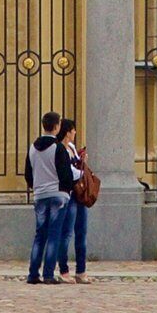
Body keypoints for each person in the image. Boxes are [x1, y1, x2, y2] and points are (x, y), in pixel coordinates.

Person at [25, 110, 74, 286]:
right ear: (56, 126)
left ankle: (33, 273)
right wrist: (66, 190)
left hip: (40, 195)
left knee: (40, 235)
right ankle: (48, 274)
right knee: (54, 235)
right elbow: (66, 174)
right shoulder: (58, 148)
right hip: (57, 195)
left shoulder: (32, 147)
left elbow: (28, 174)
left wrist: (37, 186)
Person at [57, 115, 92, 280]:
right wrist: (83, 173)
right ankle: (64, 269)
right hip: (69, 193)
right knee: (67, 233)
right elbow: (69, 172)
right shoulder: (60, 149)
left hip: (79, 194)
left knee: (81, 232)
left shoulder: (70, 146)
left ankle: (81, 270)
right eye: (73, 130)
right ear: (67, 132)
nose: (75, 132)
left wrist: (82, 160)